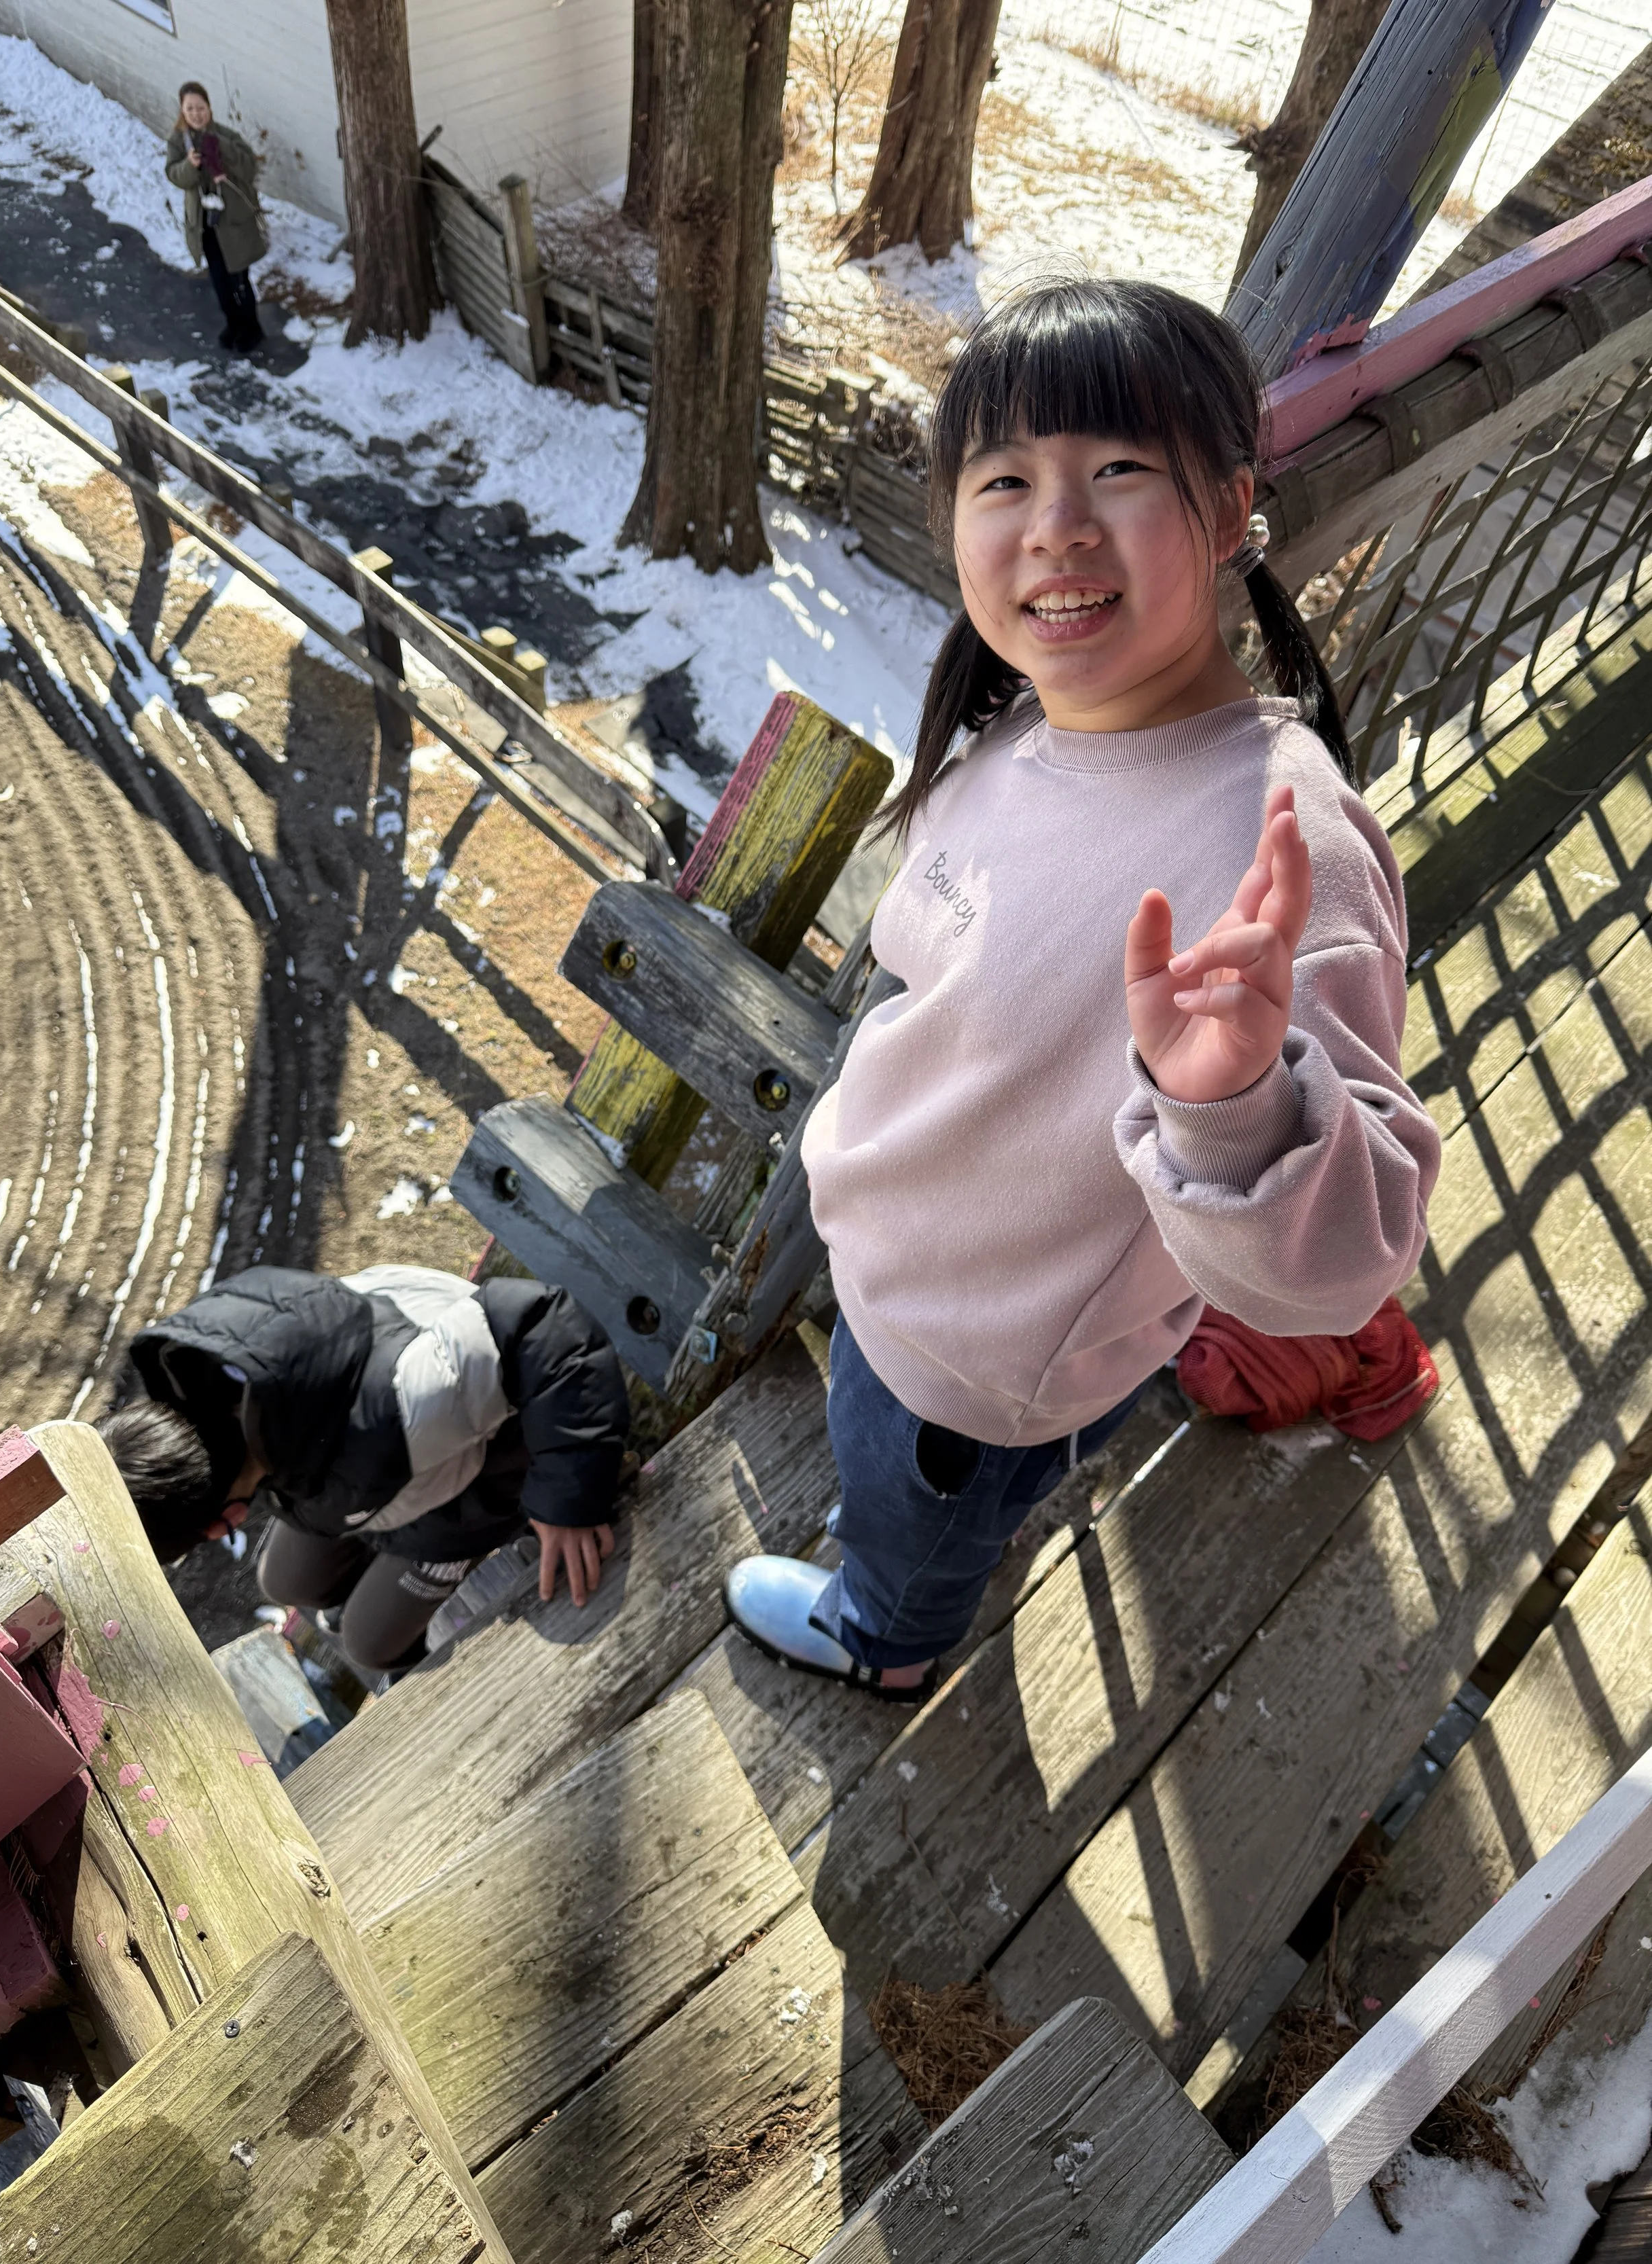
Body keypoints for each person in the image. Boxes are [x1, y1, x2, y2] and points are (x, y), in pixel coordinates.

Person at [725, 277, 1442, 1702]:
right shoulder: (1025, 724)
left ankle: (889, 1638)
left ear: (1229, 510)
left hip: (979, 1363)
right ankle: (916, 1548)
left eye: (1117, 469)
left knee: (918, 1522)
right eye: (1003, 481)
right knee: (913, 1479)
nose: (1054, 525)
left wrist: (1235, 1108)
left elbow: (1349, 1264)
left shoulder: (1277, 850)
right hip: (906, 1280)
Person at [97, 1263, 629, 1671]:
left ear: (224, 1523)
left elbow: (548, 1328)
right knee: (285, 1581)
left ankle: (439, 1661)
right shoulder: (206, 1376)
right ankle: (377, 1583)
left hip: (473, 1476)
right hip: (364, 1469)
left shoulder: (408, 1399)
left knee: (370, 1645)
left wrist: (569, 1502)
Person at [164, 82, 268, 354]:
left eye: (201, 108)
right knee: (220, 280)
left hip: (232, 223)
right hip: (206, 225)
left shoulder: (226, 136)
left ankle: (252, 328)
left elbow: (249, 168)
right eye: (190, 109)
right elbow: (175, 175)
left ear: (209, 108)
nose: (196, 114)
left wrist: (222, 148)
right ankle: (234, 324)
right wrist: (190, 165)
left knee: (239, 278)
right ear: (182, 111)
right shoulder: (178, 142)